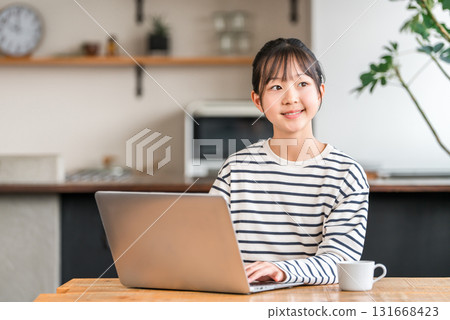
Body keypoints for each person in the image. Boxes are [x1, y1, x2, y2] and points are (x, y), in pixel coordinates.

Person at [209, 38, 369, 285]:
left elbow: (340, 263)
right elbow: (205, 244)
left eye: (302, 83)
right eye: (275, 87)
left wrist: (281, 270)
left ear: (320, 93)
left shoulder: (346, 174)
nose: (290, 98)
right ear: (258, 101)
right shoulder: (235, 169)